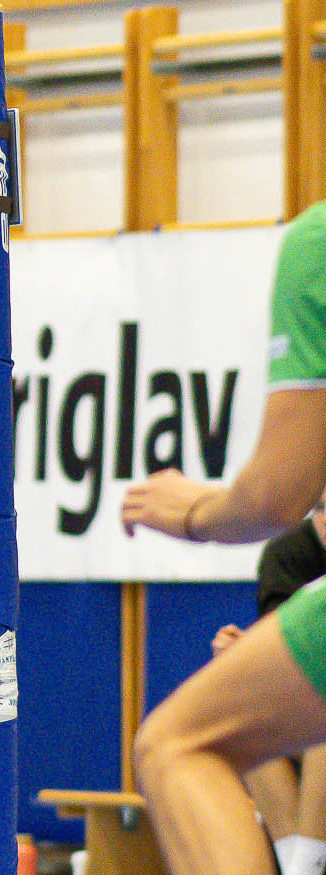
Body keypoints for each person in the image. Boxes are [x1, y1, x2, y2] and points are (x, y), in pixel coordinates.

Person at [122, 200, 326, 872]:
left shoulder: (318, 243)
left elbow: (275, 497)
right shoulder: (290, 564)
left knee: (179, 743)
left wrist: (193, 511)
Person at [207, 506, 326, 875]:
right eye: (321, 508)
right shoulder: (291, 555)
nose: (325, 520)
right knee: (244, 716)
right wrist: (244, 654)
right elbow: (290, 658)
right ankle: (296, 862)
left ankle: (303, 866)